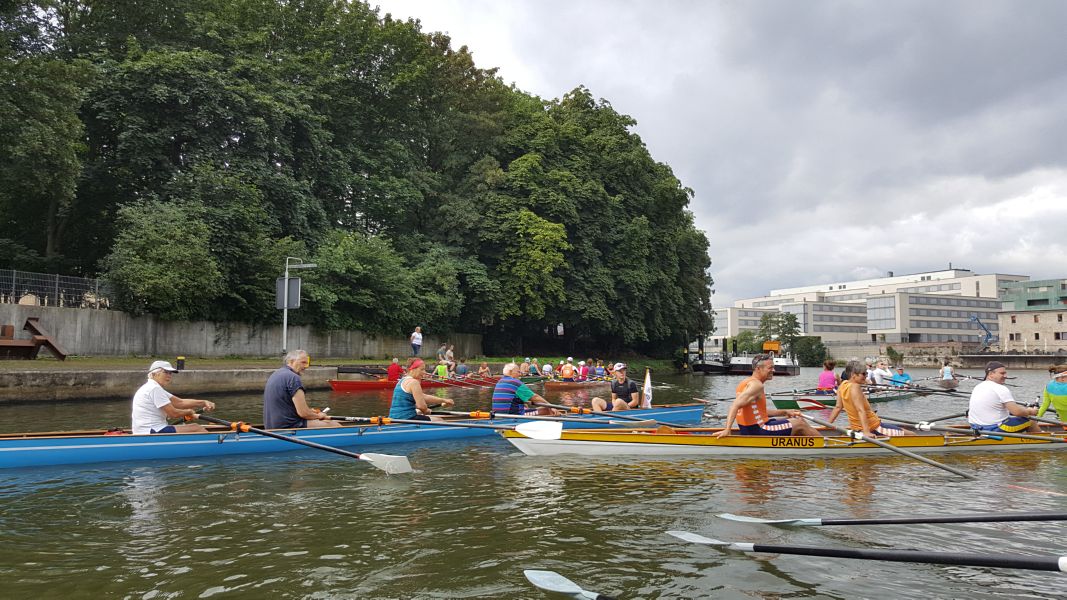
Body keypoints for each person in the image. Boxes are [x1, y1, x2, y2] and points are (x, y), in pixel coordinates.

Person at [714, 355, 818, 438]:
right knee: (800, 423)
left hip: (752, 428)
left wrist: (785, 412)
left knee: (797, 418)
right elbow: (734, 406)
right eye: (770, 368)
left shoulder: (745, 382)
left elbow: (759, 411)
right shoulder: (756, 385)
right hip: (759, 430)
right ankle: (825, 446)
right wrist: (727, 429)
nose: (774, 370)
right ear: (758, 368)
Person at [828, 360, 913, 437]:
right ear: (853, 375)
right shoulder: (856, 387)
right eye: (864, 374)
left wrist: (827, 425)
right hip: (874, 427)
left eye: (867, 373)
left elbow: (838, 408)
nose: (866, 376)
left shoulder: (842, 385)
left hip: (856, 427)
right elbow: (860, 410)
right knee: (912, 435)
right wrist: (866, 432)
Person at [131, 360, 216, 434]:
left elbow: (180, 402)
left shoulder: (151, 387)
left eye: (170, 373)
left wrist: (203, 402)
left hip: (145, 430)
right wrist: (189, 412)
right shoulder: (154, 389)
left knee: (191, 427)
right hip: (152, 430)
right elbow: (173, 414)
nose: (169, 376)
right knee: (196, 427)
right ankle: (215, 446)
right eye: (166, 372)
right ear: (154, 374)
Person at [264, 350, 339, 429]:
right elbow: (303, 413)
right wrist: (318, 415)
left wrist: (310, 411)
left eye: (307, 363)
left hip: (271, 427)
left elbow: (291, 407)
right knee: (334, 424)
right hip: (288, 426)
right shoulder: (293, 378)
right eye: (303, 362)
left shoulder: (276, 373)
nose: (306, 366)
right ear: (291, 361)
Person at [968, 361, 1039, 433]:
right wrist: (1030, 411)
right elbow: (1017, 412)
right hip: (994, 428)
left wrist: (1023, 410)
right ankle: (1043, 442)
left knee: (1016, 417)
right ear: (990, 374)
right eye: (1002, 373)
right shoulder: (1000, 388)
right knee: (1031, 421)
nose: (1005, 376)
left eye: (1005, 373)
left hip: (975, 427)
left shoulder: (978, 387)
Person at [389, 358, 455, 421]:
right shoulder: (414, 382)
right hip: (406, 418)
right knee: (439, 420)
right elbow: (421, 406)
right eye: (422, 369)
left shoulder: (401, 381)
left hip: (393, 417)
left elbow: (424, 397)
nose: (424, 372)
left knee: (418, 412)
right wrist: (426, 411)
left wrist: (444, 400)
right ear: (412, 369)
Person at [491, 362, 558, 415]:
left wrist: (524, 402)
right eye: (518, 372)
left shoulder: (500, 382)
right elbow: (535, 397)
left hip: (498, 415)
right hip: (513, 416)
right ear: (511, 372)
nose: (520, 374)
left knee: (526, 406)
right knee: (546, 409)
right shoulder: (515, 382)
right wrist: (551, 406)